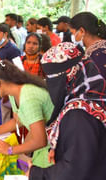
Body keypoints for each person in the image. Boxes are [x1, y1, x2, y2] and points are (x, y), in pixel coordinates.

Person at [29, 42, 106, 180]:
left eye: (52, 78)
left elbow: (75, 170)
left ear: (70, 75)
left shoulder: (79, 114)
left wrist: (35, 174)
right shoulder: (96, 96)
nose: (50, 84)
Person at [0, 60, 54, 168]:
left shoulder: (27, 98)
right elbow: (18, 120)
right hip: (47, 148)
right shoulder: (14, 90)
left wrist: (10, 150)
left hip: (52, 153)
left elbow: (40, 140)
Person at [70, 12, 106, 79]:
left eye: (72, 33)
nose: (73, 37)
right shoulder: (100, 49)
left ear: (82, 31)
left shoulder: (96, 56)